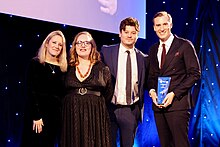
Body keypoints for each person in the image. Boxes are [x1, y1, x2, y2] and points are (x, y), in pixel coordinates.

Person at [147, 11, 201, 147]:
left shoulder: (184, 45)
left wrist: (174, 93)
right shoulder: (153, 49)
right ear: (153, 27)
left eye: (165, 24)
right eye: (158, 25)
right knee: (165, 144)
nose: (161, 28)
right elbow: (152, 76)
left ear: (171, 25)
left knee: (180, 144)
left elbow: (195, 73)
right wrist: (152, 91)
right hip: (159, 106)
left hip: (178, 104)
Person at [100, 17, 148, 147]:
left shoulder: (143, 58)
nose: (129, 36)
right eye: (126, 32)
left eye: (133, 33)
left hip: (130, 110)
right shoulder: (106, 51)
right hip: (109, 108)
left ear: (137, 35)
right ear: (120, 33)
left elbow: (149, 82)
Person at [60, 31, 113, 147]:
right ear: (74, 47)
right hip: (72, 114)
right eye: (79, 43)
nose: (82, 45)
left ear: (92, 46)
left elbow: (109, 93)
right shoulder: (67, 67)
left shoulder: (102, 68)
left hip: (95, 115)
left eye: (86, 43)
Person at [20, 30, 68, 147]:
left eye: (60, 45)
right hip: (37, 117)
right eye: (54, 42)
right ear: (47, 43)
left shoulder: (63, 69)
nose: (57, 46)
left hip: (55, 117)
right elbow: (30, 91)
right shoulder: (35, 63)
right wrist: (36, 116)